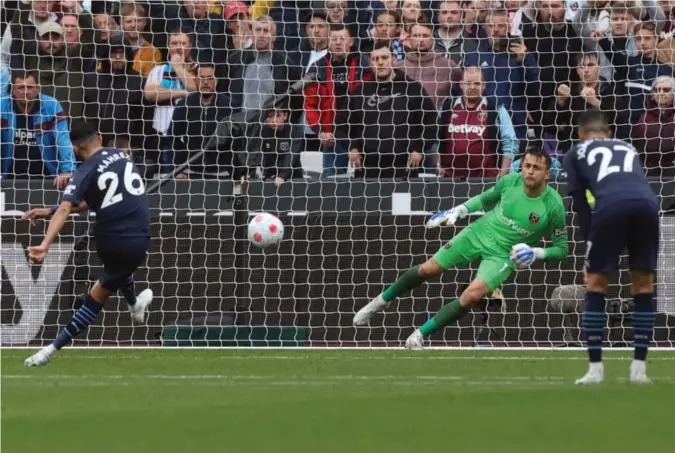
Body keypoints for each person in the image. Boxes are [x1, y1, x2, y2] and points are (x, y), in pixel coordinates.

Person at [353, 148, 569, 349]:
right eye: (527, 165)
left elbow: (562, 250)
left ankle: (419, 335)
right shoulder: (509, 182)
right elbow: (485, 199)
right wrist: (460, 210)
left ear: (547, 174)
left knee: (472, 296)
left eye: (536, 168)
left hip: (504, 254)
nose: (530, 171)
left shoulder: (554, 205)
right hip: (478, 233)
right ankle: (380, 302)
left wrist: (536, 252)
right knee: (429, 269)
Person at [22, 122, 153, 367]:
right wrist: (50, 211)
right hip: (140, 237)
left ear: (74, 149)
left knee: (98, 294)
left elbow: (67, 206)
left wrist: (44, 244)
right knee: (117, 272)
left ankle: (49, 349)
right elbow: (92, 199)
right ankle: (135, 304)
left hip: (110, 240)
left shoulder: (84, 171)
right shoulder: (121, 155)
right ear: (100, 137)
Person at [562, 110, 659, 385]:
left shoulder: (575, 152)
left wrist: (588, 249)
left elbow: (581, 204)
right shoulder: (627, 146)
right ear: (608, 133)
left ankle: (595, 370)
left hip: (611, 206)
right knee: (643, 286)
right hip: (648, 205)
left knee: (596, 285)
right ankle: (639, 371)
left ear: (581, 135)